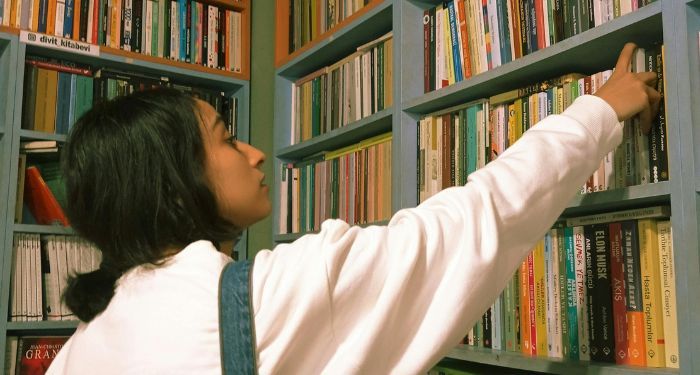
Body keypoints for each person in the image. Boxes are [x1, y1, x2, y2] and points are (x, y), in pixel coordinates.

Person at [47, 43, 659, 374]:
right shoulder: (265, 299)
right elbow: (480, 217)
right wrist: (598, 110)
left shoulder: (83, 347)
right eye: (227, 139)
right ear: (174, 184)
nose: (258, 154)